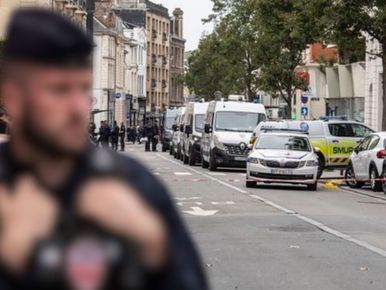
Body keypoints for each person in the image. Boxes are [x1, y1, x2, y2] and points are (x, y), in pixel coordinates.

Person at [0, 9, 207, 290]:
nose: (77, 107)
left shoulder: (130, 183)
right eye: (59, 90)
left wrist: (152, 243)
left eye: (82, 89)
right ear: (13, 98)